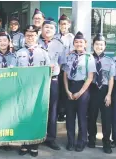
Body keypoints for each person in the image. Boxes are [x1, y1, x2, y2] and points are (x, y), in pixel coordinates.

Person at [16, 25, 50, 157]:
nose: (30, 37)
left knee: (36, 117)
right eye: (28, 35)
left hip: (38, 91)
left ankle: (34, 145)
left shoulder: (43, 53)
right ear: (24, 37)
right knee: (23, 117)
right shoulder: (19, 53)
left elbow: (49, 72)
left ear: (37, 36)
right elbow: (14, 72)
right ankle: (24, 144)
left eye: (33, 35)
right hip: (23, 90)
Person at [62, 31, 96, 152]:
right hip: (70, 87)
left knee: (82, 117)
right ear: (73, 43)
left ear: (85, 44)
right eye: (76, 42)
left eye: (81, 42)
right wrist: (67, 91)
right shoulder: (68, 56)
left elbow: (90, 77)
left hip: (83, 89)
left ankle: (81, 141)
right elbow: (65, 75)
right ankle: (70, 141)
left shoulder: (89, 57)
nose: (78, 44)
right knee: (70, 117)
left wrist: (79, 93)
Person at [37, 18, 67, 151]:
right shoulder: (35, 41)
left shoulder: (59, 44)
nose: (48, 29)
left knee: (52, 110)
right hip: (36, 81)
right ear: (42, 28)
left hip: (53, 80)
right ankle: (35, 136)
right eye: (46, 27)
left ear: (55, 30)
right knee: (37, 109)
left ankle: (51, 138)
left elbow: (61, 62)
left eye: (51, 28)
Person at [87, 33, 115, 154]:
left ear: (105, 46)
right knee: (91, 116)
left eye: (101, 44)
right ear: (93, 45)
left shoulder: (110, 61)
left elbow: (111, 78)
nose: (99, 46)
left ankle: (106, 142)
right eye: (97, 44)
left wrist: (109, 94)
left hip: (104, 90)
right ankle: (91, 139)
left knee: (106, 118)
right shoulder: (87, 58)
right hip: (92, 89)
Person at [55, 14, 74, 122]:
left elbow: (71, 52)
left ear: (69, 25)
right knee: (57, 90)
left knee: (65, 90)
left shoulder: (71, 37)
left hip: (66, 67)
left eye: (65, 24)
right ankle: (58, 111)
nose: (63, 26)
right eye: (61, 24)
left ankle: (64, 112)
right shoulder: (56, 36)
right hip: (56, 67)